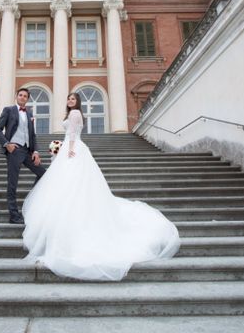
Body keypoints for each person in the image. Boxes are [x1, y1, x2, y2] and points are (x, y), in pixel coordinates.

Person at [22, 93, 180, 281]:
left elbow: (72, 133)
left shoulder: (74, 114)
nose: (70, 101)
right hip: (75, 148)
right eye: (69, 99)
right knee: (74, 185)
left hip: (73, 148)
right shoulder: (75, 113)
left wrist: (68, 148)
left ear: (77, 102)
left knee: (70, 184)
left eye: (73, 99)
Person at [0, 88, 46, 224]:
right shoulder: (8, 110)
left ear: (27, 99)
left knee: (43, 173)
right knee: (13, 183)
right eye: (20, 95)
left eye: (25, 96)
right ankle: (13, 215)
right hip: (14, 150)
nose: (22, 97)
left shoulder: (29, 113)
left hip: (28, 150)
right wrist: (7, 144)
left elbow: (32, 135)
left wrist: (36, 151)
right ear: (16, 96)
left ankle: (31, 200)